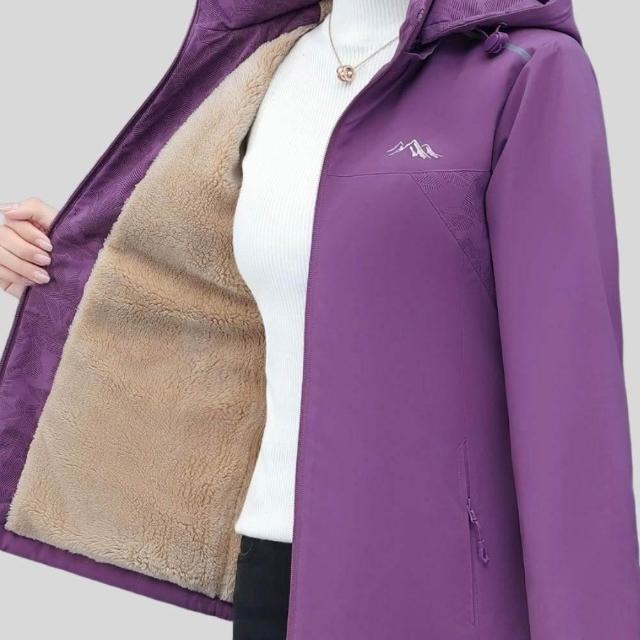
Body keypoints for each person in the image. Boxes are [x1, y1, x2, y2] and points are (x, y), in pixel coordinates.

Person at [1, 1, 639, 639]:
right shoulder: (265, 66)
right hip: (272, 566)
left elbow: (571, 400)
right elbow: (221, 291)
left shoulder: (528, 70)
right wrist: (66, 260)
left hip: (439, 586)